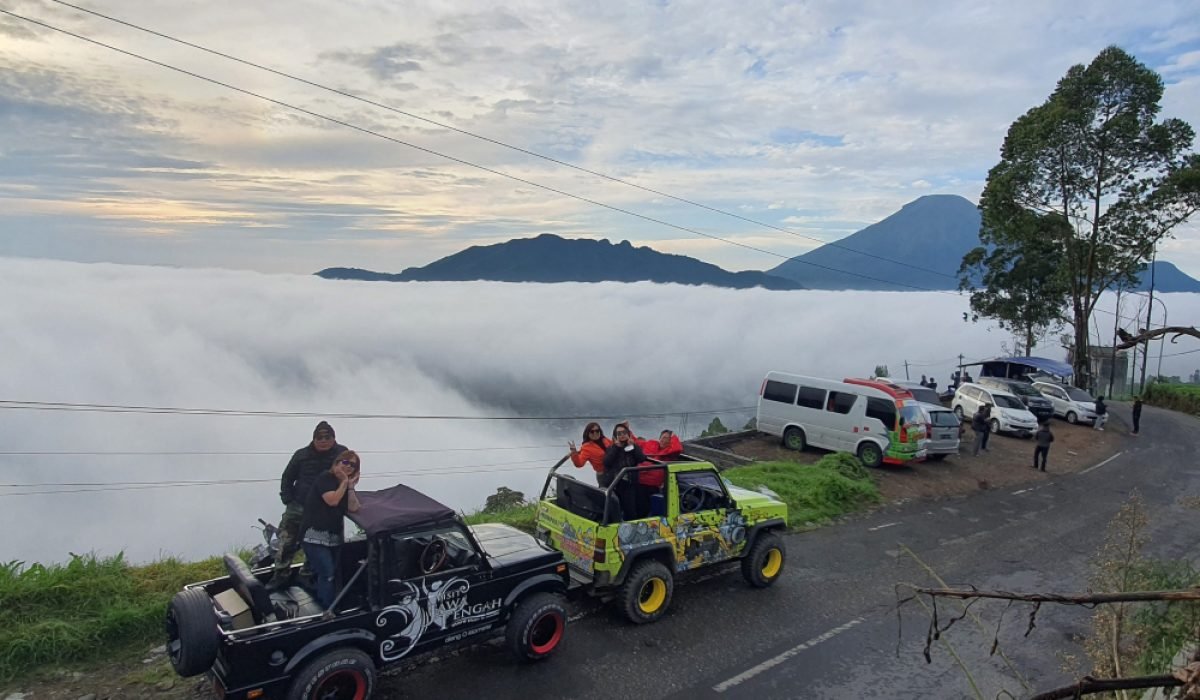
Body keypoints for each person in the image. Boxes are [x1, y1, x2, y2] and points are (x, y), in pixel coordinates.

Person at [270, 421, 345, 588]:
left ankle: (306, 575)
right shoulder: (301, 455)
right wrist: (288, 499)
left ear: (334, 438)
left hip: (324, 510)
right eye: (319, 437)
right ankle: (281, 576)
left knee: (316, 544)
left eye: (327, 437)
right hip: (298, 506)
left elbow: (350, 475)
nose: (323, 440)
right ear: (314, 439)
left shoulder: (342, 455)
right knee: (287, 542)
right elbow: (287, 477)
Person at [300, 449, 362, 609]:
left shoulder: (344, 485)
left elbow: (354, 507)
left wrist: (350, 486)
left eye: (352, 465)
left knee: (331, 573)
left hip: (333, 538)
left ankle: (327, 603)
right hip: (314, 535)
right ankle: (327, 609)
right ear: (336, 462)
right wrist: (343, 483)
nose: (348, 467)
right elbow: (333, 500)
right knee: (327, 573)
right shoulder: (325, 478)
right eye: (345, 462)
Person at [603, 423, 646, 519]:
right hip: (614, 483)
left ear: (628, 434)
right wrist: (616, 448)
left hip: (629, 483)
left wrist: (633, 447)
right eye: (619, 433)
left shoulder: (633, 447)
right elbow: (607, 462)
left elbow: (642, 458)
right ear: (615, 436)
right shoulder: (611, 448)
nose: (622, 435)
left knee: (630, 509)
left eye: (624, 432)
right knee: (614, 508)